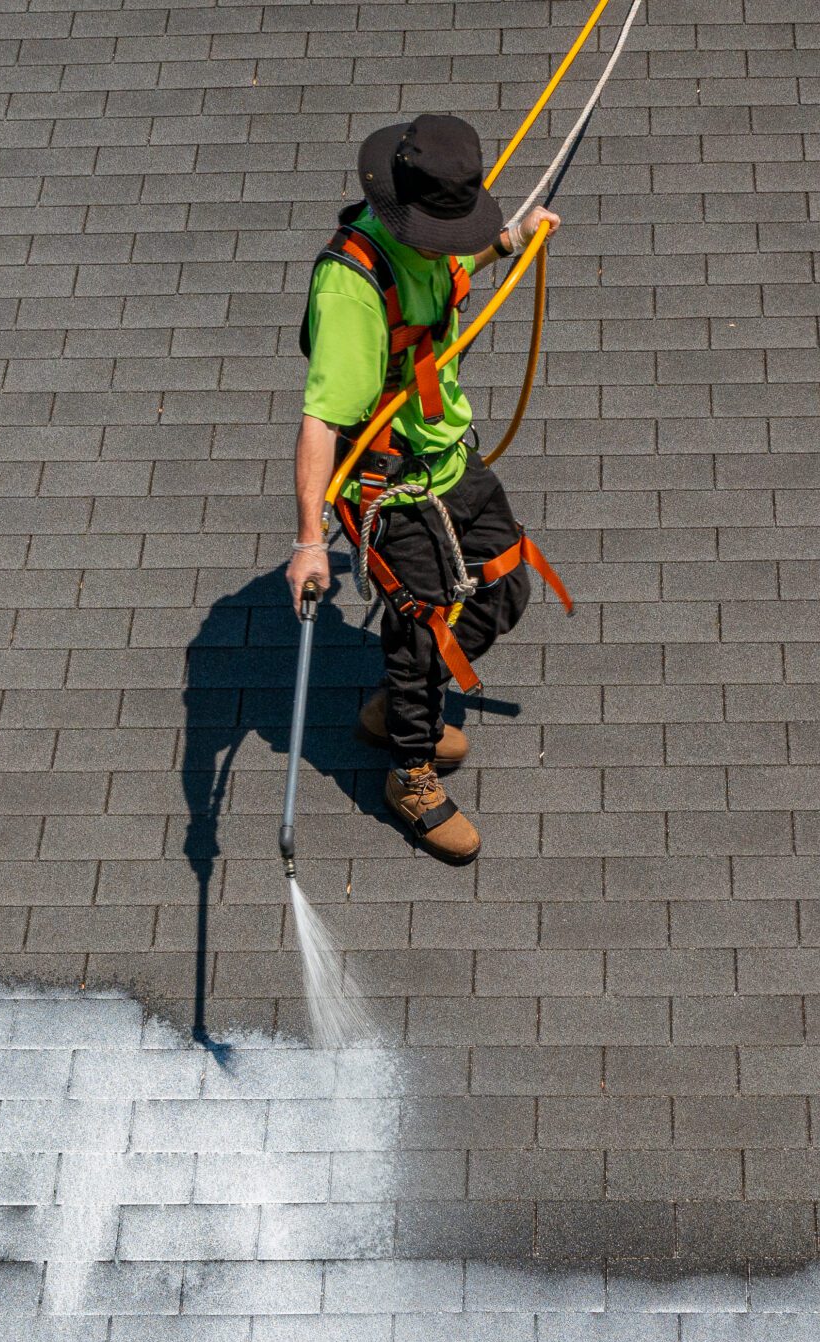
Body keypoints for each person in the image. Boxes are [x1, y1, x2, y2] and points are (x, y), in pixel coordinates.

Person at [288, 114, 563, 865]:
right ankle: (409, 772)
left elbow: (451, 258)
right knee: (420, 627)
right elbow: (319, 420)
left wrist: (507, 241)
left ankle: (405, 702)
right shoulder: (352, 287)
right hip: (386, 481)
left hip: (444, 455)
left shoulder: (427, 243)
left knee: (506, 583)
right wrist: (310, 542)